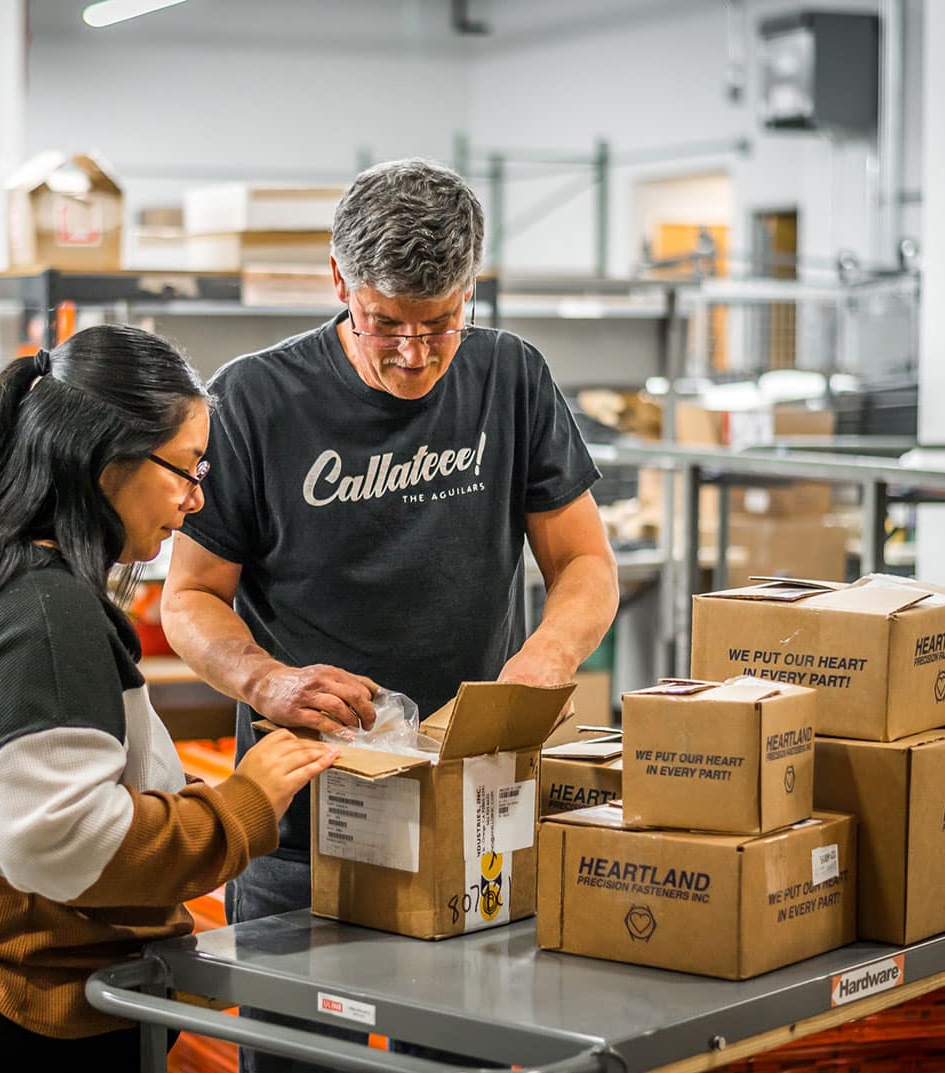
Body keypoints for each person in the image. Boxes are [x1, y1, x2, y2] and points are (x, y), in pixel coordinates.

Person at [162, 158, 619, 1071]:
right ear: (339, 284)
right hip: (304, 820)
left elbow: (584, 562)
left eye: (440, 324)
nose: (413, 354)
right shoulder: (253, 399)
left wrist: (546, 658)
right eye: (385, 324)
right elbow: (190, 596)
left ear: (471, 289)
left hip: (471, 804)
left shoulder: (512, 377)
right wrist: (268, 680)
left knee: (461, 1056)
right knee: (301, 1058)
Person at [0, 325, 338, 1073]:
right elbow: (64, 841)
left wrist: (177, 797)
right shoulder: (48, 614)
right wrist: (243, 805)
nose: (195, 499)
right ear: (106, 460)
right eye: (184, 469)